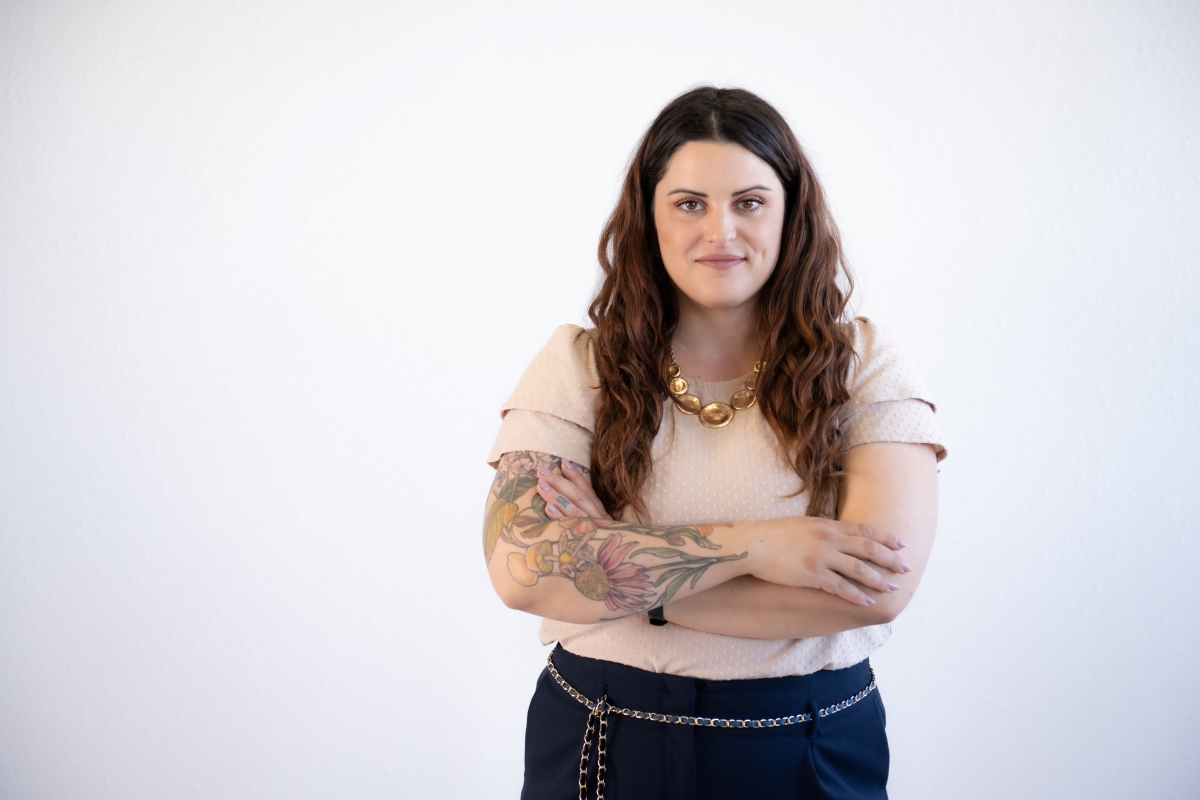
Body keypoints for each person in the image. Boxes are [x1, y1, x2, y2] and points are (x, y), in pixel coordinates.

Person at [483, 86, 946, 800]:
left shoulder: (867, 365)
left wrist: (615, 565)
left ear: (792, 215)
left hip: (808, 744)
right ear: (649, 216)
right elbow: (521, 567)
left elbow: (874, 591)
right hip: (602, 735)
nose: (720, 232)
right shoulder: (577, 365)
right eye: (690, 203)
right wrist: (761, 548)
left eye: (750, 202)